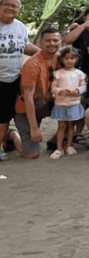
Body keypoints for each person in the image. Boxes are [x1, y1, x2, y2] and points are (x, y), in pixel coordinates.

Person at [0, 0, 40, 160]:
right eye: (7, 4)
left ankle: (4, 143)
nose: (11, 8)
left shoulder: (20, 26)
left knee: (5, 115)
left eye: (15, 6)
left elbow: (24, 47)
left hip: (14, 78)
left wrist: (42, 54)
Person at [13, 28, 61, 160]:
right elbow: (28, 99)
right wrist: (34, 128)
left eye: (55, 40)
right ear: (40, 43)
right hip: (27, 108)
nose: (52, 43)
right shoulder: (32, 65)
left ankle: (57, 138)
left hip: (47, 102)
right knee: (31, 155)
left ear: (60, 42)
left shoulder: (61, 60)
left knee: (79, 101)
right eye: (48, 41)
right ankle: (12, 135)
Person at [48, 46, 87, 159]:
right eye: (66, 58)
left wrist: (77, 91)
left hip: (74, 103)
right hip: (61, 104)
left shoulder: (79, 74)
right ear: (62, 59)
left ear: (76, 59)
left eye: (72, 58)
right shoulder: (58, 73)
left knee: (71, 126)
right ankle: (59, 148)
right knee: (61, 126)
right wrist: (60, 91)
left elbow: (83, 86)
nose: (69, 61)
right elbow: (53, 88)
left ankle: (69, 146)